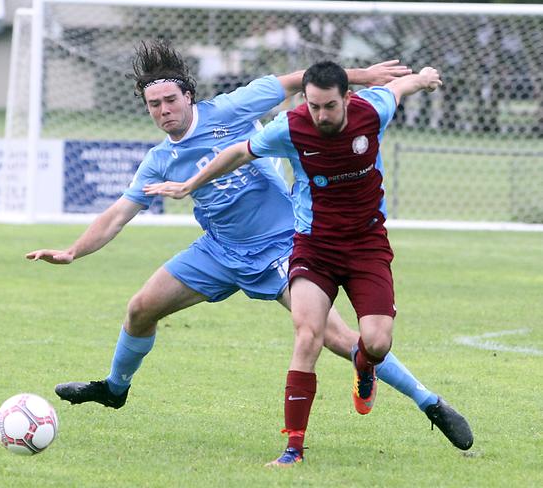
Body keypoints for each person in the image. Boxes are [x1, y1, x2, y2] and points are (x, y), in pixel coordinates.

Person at [26, 41, 471, 461]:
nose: (164, 112)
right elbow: (117, 214)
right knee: (141, 309)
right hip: (219, 251)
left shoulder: (234, 107)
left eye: (170, 102)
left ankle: (429, 402)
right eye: (154, 106)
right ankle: (115, 389)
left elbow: (299, 80)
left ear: (189, 97)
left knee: (338, 339)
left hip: (282, 246)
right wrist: (73, 252)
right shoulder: (160, 159)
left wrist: (363, 75)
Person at [144, 60, 474, 466]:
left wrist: (423, 80)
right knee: (307, 337)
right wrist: (190, 185)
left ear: (348, 99)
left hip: (367, 245)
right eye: (313, 106)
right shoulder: (291, 126)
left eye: (329, 107)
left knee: (376, 342)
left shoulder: (373, 110)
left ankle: (365, 364)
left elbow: (400, 87)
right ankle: (292, 450)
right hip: (312, 248)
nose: (320, 115)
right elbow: (236, 153)